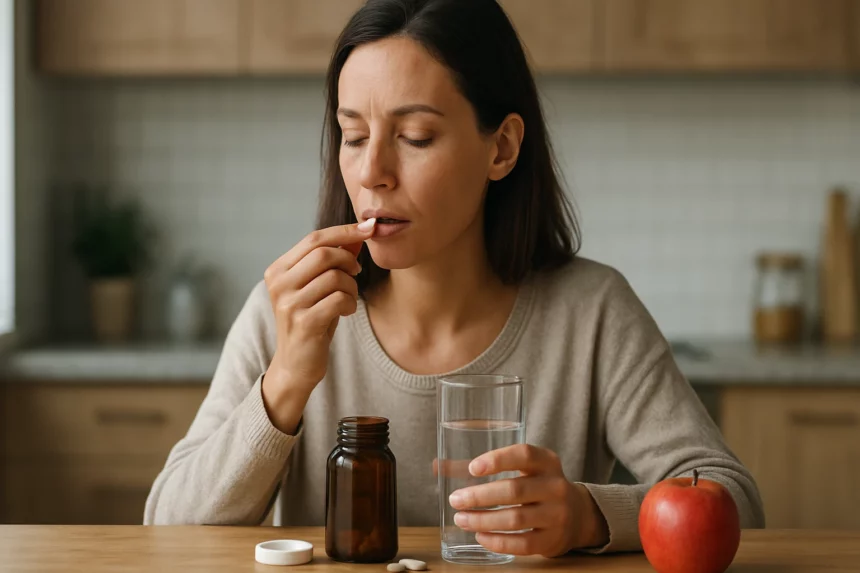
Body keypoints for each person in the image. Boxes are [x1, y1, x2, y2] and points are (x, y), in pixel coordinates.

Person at [144, 0, 764, 556]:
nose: (372, 172)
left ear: (502, 149)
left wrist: (586, 515)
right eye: (353, 135)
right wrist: (285, 382)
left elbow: (734, 502)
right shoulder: (288, 311)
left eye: (415, 137)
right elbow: (167, 529)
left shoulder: (592, 311)